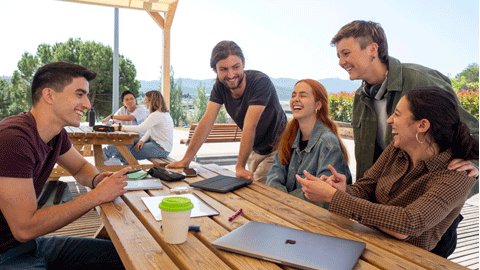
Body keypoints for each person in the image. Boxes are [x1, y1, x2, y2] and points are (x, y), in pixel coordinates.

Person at [297, 87, 478, 258]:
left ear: (422, 125)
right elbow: (366, 187)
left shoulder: (457, 176)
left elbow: (407, 224)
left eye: (397, 114)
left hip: (408, 260)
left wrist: (333, 197)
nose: (389, 120)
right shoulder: (396, 149)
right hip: (368, 244)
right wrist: (343, 190)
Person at [0, 62, 128, 269]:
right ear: (49, 95)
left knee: (125, 257)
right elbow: (24, 228)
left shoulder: (56, 135)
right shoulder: (12, 139)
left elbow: (79, 168)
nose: (87, 104)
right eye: (79, 94)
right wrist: (97, 195)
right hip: (6, 255)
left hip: (30, 246)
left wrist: (97, 180)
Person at [330, 20, 479, 182]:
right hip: (380, 198)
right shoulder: (360, 97)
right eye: (339, 56)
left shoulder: (422, 80)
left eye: (346, 53)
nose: (340, 62)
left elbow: (472, 130)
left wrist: (473, 166)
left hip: (423, 197)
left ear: (372, 49)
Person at [167, 40, 287, 183]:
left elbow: (250, 125)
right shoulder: (219, 87)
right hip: (256, 149)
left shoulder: (260, 82)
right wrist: (185, 160)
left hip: (280, 145)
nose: (230, 75)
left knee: (258, 187)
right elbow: (206, 122)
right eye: (223, 69)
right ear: (215, 70)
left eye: (235, 67)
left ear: (243, 63)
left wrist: (240, 166)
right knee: (247, 188)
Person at [266, 79, 351, 208]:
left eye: (303, 95)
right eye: (293, 95)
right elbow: (273, 177)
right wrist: (284, 203)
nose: (295, 99)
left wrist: (284, 202)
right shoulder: (289, 136)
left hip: (316, 220)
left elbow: (322, 196)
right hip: (287, 211)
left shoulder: (328, 144)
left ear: (318, 104)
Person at [103, 90, 174, 164]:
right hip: (155, 144)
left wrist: (120, 127)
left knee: (126, 152)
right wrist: (142, 140)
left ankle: (106, 153)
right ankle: (108, 154)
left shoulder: (156, 115)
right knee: (128, 141)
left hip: (161, 149)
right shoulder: (160, 114)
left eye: (146, 99)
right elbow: (150, 130)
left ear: (151, 101)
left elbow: (140, 128)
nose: (144, 102)